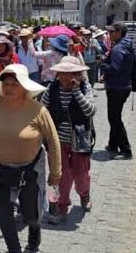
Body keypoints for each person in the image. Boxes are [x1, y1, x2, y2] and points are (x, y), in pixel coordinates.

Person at [0, 64, 61, 253]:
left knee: (30, 213)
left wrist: (56, 172)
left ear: (24, 86)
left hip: (30, 170)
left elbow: (53, 141)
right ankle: (14, 249)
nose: (8, 88)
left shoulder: (38, 110)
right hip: (1, 170)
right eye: (6, 84)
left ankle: (35, 229)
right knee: (4, 212)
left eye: (14, 84)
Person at [40, 57, 95, 225]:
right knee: (60, 176)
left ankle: (84, 194)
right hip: (57, 141)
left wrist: (77, 92)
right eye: (62, 73)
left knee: (81, 174)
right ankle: (60, 207)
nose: (65, 78)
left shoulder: (85, 87)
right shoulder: (52, 88)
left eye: (70, 73)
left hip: (80, 140)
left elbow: (91, 111)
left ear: (78, 74)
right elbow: (42, 109)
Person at [100, 22, 135, 159]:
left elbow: (115, 69)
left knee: (115, 119)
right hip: (123, 85)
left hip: (117, 87)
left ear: (119, 32)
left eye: (112, 32)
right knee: (115, 117)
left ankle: (126, 150)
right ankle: (113, 144)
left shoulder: (119, 48)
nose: (109, 34)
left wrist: (103, 63)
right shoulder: (126, 44)